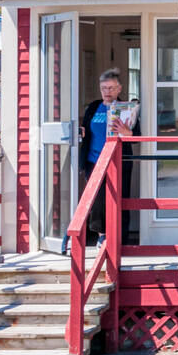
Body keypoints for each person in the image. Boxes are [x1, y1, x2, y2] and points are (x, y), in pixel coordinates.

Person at [63, 68, 141, 253]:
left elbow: (136, 136)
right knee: (97, 200)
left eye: (112, 88)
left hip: (119, 161)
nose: (108, 92)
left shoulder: (127, 108)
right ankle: (101, 236)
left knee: (119, 199)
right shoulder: (94, 107)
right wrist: (81, 133)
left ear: (119, 88)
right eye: (104, 88)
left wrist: (126, 132)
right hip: (94, 161)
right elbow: (86, 130)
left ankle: (120, 239)